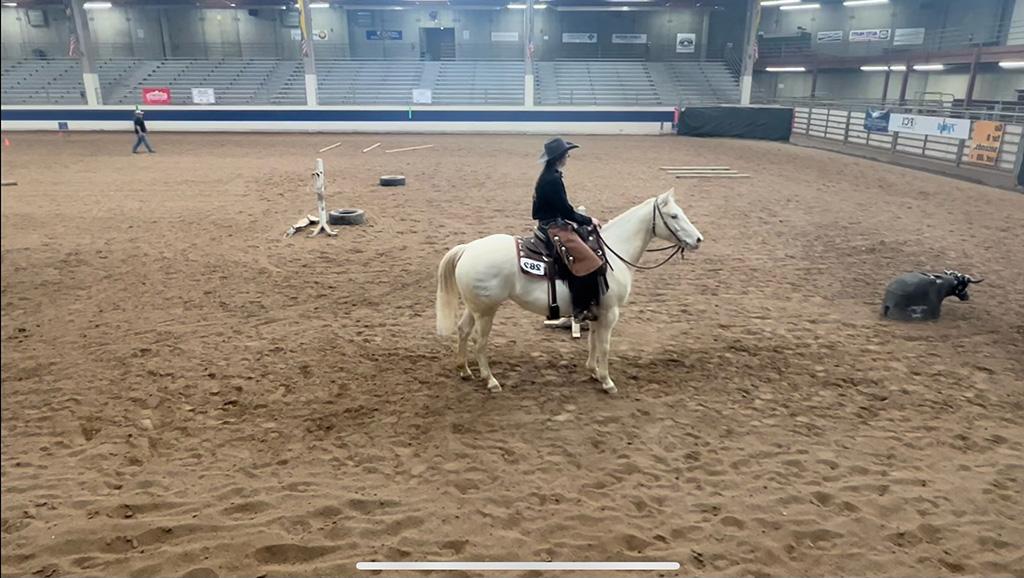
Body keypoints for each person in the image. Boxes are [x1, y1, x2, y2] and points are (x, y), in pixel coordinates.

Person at [533, 137, 606, 321]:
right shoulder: (552, 180)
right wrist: (589, 220)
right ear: (560, 157)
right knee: (590, 260)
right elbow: (567, 211)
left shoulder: (550, 175)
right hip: (553, 227)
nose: (568, 157)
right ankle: (581, 308)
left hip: (550, 222)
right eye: (567, 154)